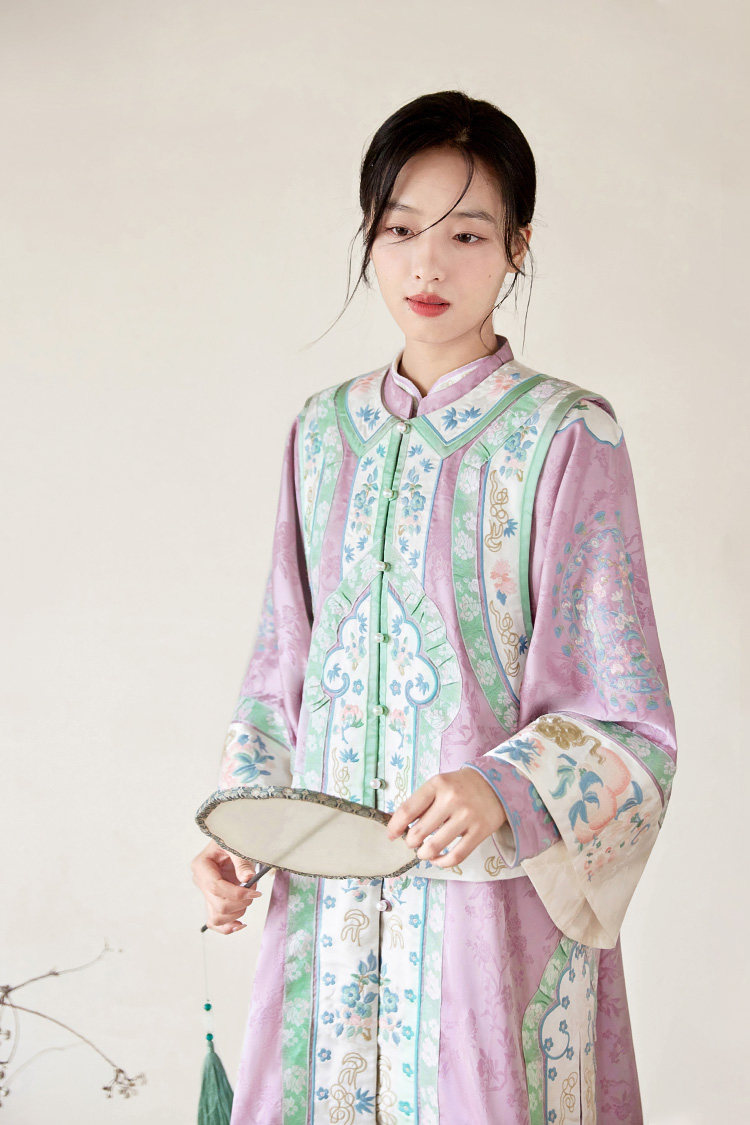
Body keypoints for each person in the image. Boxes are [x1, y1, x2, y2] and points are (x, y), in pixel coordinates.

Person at [191, 90, 676, 1125]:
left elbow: (627, 717)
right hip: (327, 913)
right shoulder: (321, 435)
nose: (427, 266)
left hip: (485, 916)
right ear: (369, 237)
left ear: (517, 249)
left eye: (466, 235)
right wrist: (244, 825)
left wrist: (500, 784)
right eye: (400, 230)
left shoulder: (568, 436)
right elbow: (281, 666)